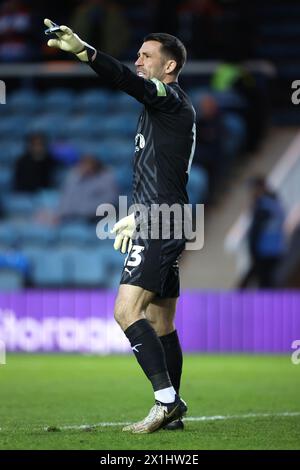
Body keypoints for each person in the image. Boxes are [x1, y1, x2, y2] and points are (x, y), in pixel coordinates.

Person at [44, 18, 196, 433]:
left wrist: (85, 51)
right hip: (165, 215)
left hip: (163, 220)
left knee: (125, 310)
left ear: (169, 67)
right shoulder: (159, 112)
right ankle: (173, 414)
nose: (139, 60)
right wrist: (138, 211)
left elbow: (128, 81)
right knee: (162, 322)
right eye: (138, 54)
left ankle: (166, 402)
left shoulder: (169, 98)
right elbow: (162, 171)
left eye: (148, 56)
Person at [247, 176, 286, 288]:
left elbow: (256, 231)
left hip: (263, 250)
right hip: (276, 248)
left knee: (265, 284)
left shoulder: (262, 205)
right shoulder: (275, 202)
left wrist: (252, 251)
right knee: (271, 281)